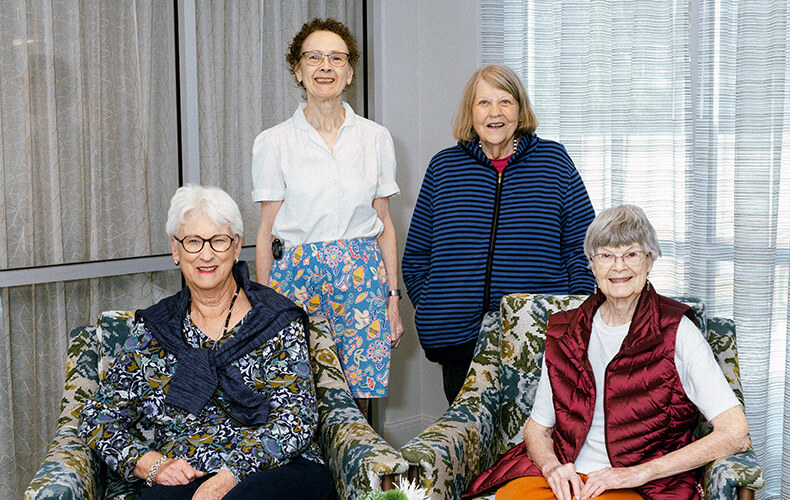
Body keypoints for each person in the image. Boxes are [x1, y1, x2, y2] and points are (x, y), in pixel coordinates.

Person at [465, 204, 751, 500]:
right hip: (565, 477)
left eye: (631, 254)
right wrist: (552, 467)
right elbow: (536, 429)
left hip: (636, 486)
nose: (618, 267)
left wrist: (636, 473)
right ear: (591, 263)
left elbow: (734, 432)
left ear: (650, 260)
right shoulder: (567, 331)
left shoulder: (677, 331)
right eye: (606, 255)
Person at [79, 185, 335, 500]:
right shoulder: (155, 330)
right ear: (176, 249)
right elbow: (97, 416)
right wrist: (150, 463)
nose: (206, 254)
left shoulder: (275, 319)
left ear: (237, 246)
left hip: (275, 468)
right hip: (186, 475)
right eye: (193, 241)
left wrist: (231, 476)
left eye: (218, 240)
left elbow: (297, 418)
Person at [402, 64, 596, 404]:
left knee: (537, 440)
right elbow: (417, 254)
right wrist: (433, 304)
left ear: (520, 111)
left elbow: (584, 246)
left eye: (505, 102)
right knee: (473, 440)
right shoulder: (444, 168)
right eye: (484, 103)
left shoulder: (553, 161)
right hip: (457, 336)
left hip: (538, 332)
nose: (495, 113)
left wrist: (573, 309)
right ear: (471, 112)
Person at [251, 18, 403, 418]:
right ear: (297, 70)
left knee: (356, 406)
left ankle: (358, 480)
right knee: (294, 397)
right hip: (295, 278)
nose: (325, 66)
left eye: (337, 58)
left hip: (362, 278)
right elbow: (266, 232)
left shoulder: (375, 137)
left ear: (350, 71)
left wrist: (392, 298)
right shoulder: (273, 143)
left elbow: (384, 223)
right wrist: (262, 305)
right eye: (314, 57)